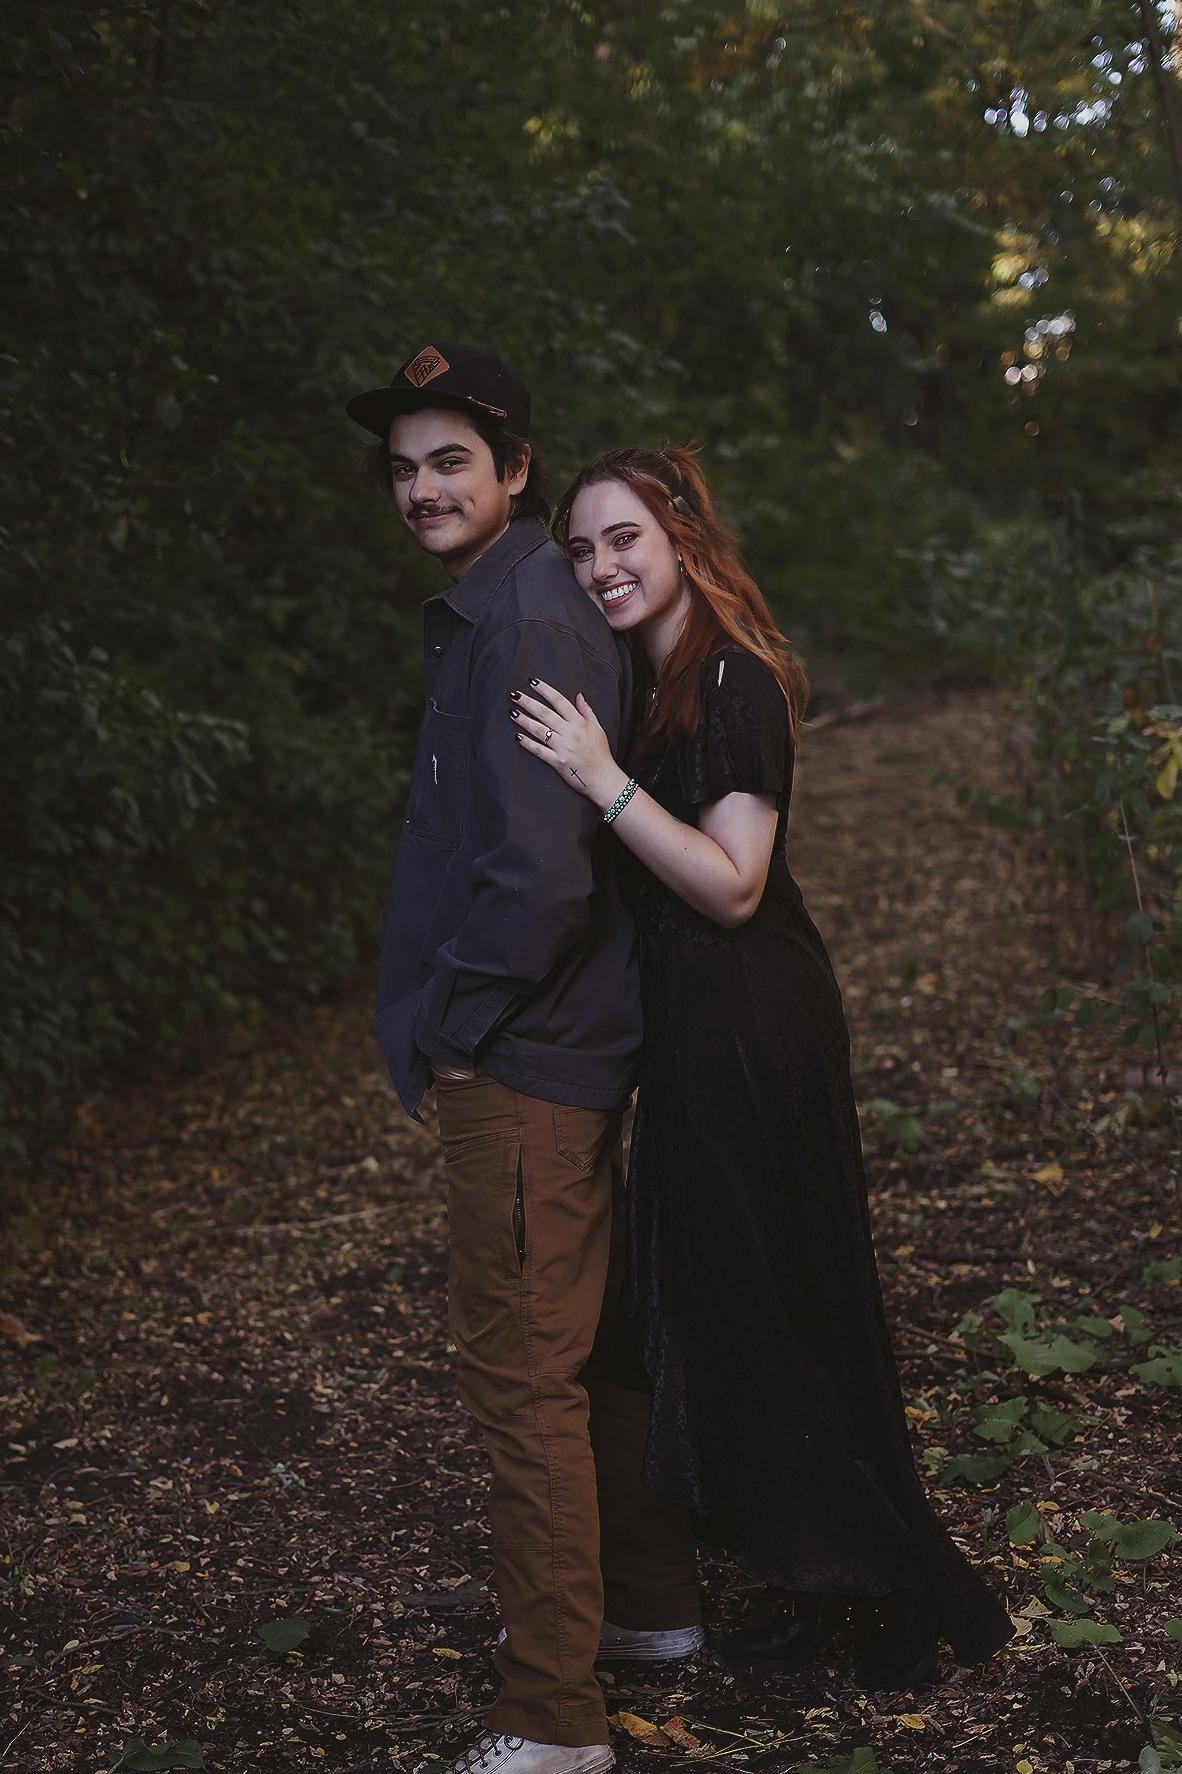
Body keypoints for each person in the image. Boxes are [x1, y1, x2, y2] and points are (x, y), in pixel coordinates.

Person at [509, 443, 1015, 1691]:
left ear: (682, 535)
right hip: (696, 1029)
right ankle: (811, 1571)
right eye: (581, 548)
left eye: (624, 537)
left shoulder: (731, 675)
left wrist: (601, 780)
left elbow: (735, 884)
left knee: (768, 1307)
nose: (602, 566)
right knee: (731, 1304)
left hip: (749, 1022)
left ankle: (857, 1583)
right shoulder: (655, 676)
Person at [345, 348, 684, 1774]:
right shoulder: (503, 604)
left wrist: (456, 1026)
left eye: (450, 462)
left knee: (521, 1373)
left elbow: (542, 879)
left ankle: (552, 1715)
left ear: (516, 471)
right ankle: (646, 1613)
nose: (423, 488)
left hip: (526, 1052)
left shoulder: (531, 612)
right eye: (405, 467)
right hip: (542, 1041)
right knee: (574, 1350)